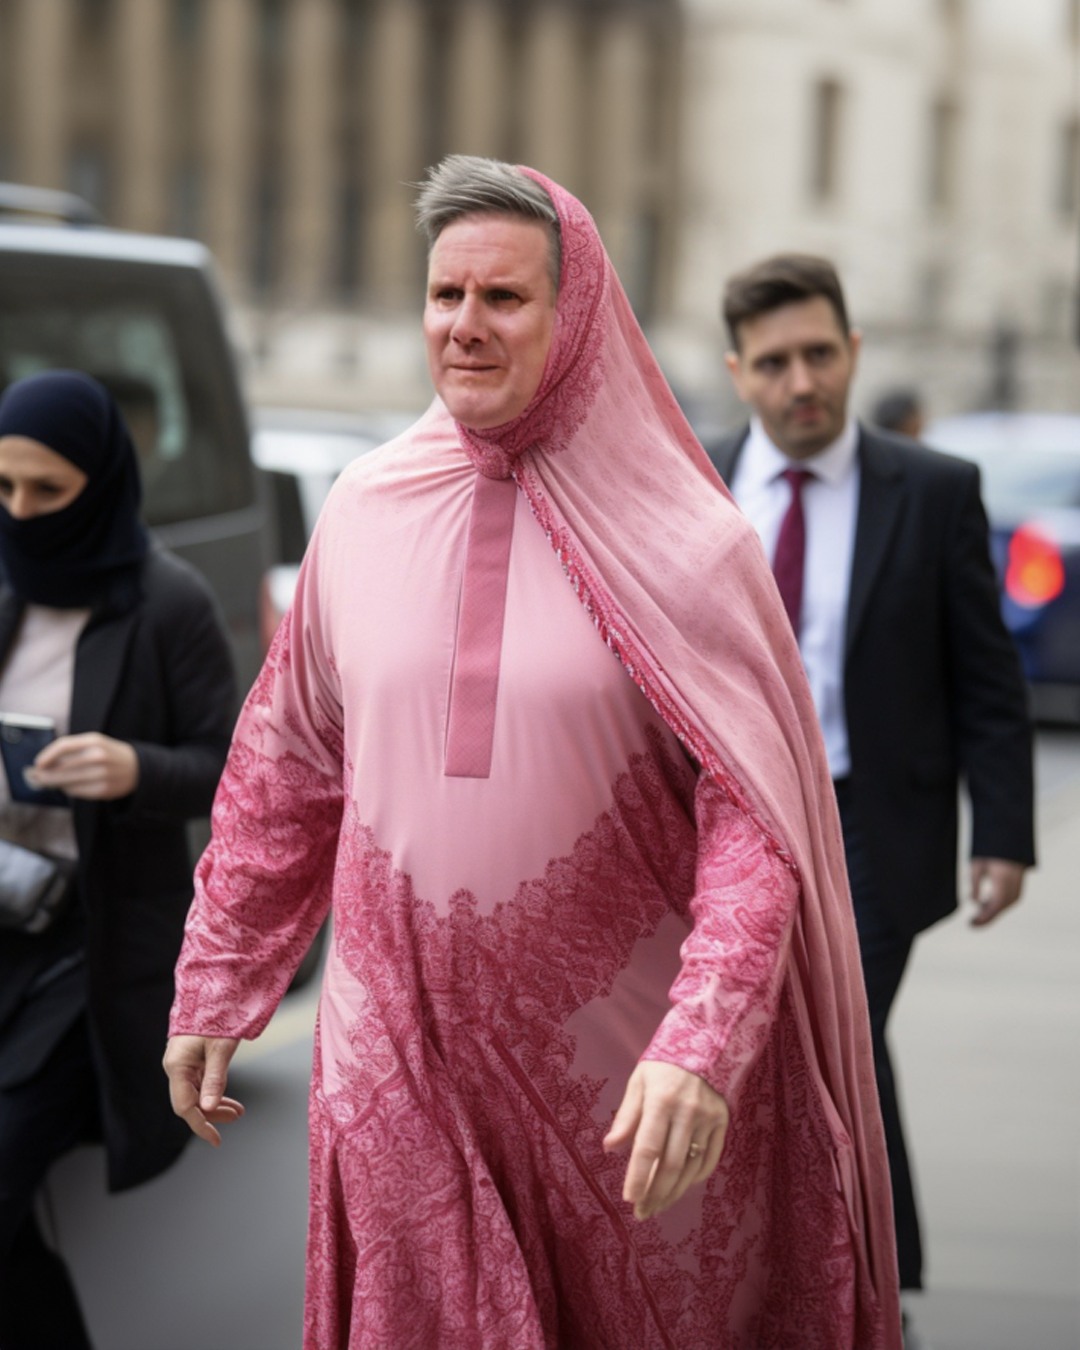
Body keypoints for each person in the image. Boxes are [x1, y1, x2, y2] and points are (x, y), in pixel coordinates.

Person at [164, 158, 902, 1349]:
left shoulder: (690, 546)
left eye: (503, 298)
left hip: (617, 1091)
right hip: (391, 1060)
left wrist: (704, 1043)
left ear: (576, 315)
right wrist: (218, 975)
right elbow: (288, 764)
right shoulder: (361, 507)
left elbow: (753, 824)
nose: (465, 325)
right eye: (444, 294)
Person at [709, 254, 1035, 1313]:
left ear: (852, 352)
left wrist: (1004, 832)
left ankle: (860, 1283)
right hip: (724, 823)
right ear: (738, 373)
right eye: (774, 363)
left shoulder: (934, 491)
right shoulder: (692, 481)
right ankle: (850, 1275)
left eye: (819, 354)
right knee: (790, 1046)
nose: (801, 382)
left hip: (870, 825)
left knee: (826, 1028)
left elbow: (986, 673)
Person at [0, 370, 237, 1349]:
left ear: (98, 482)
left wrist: (133, 768)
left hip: (92, 947)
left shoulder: (168, 602)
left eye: (47, 490)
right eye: (3, 486)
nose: (21, 511)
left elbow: (236, 773)